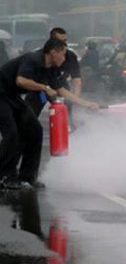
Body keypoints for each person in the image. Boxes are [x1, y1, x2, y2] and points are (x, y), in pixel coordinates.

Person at [0, 38, 99, 190]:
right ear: (53, 52)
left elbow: (61, 90)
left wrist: (85, 104)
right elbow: (21, 81)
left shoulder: (51, 68)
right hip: (1, 94)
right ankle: (5, 177)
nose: (64, 58)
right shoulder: (32, 59)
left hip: (12, 96)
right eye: (63, 54)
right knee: (12, 134)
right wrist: (45, 88)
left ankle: (27, 177)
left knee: (35, 131)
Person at [25, 28, 82, 117]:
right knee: (31, 112)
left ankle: (67, 127)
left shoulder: (70, 56)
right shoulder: (40, 55)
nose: (64, 44)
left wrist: (76, 99)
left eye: (65, 41)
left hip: (60, 86)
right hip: (42, 89)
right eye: (60, 41)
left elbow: (77, 80)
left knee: (65, 113)